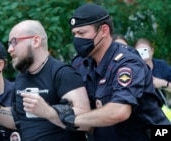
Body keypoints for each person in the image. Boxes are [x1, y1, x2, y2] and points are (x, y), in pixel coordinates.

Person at [69, 3, 170, 141]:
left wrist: (73, 119)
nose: (77, 39)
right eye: (74, 34)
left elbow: (119, 111)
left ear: (104, 31)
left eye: (82, 33)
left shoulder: (127, 63)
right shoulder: (80, 63)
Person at [0, 20, 91, 141]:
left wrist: (48, 111)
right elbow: (19, 119)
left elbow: (86, 122)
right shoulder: (22, 77)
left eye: (14, 42)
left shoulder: (63, 73)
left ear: (35, 41)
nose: (10, 49)